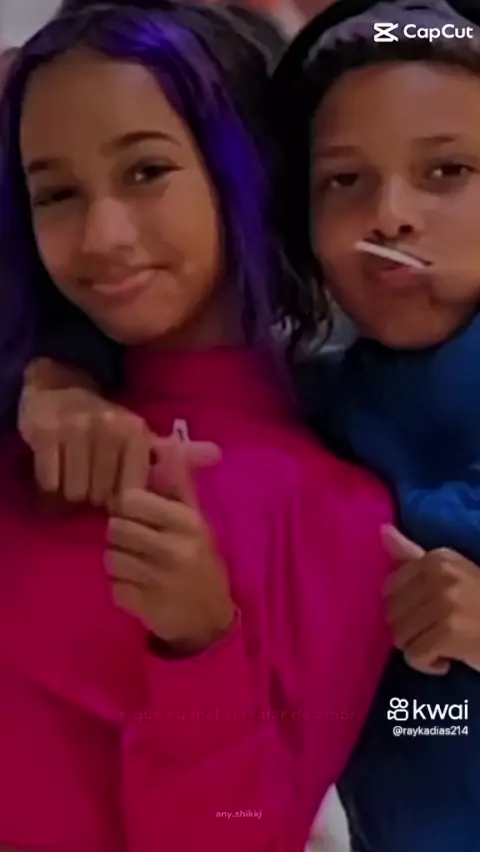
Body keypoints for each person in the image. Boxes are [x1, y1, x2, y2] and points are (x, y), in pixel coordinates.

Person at [0, 4, 393, 851]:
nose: (102, 235)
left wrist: (200, 645)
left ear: (243, 168)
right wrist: (34, 382)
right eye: (56, 193)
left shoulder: (334, 516)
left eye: (146, 171)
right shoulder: (32, 424)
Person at [269, 0, 480, 850]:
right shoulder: (297, 410)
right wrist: (56, 378)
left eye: (447, 171)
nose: (389, 215)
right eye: (344, 181)